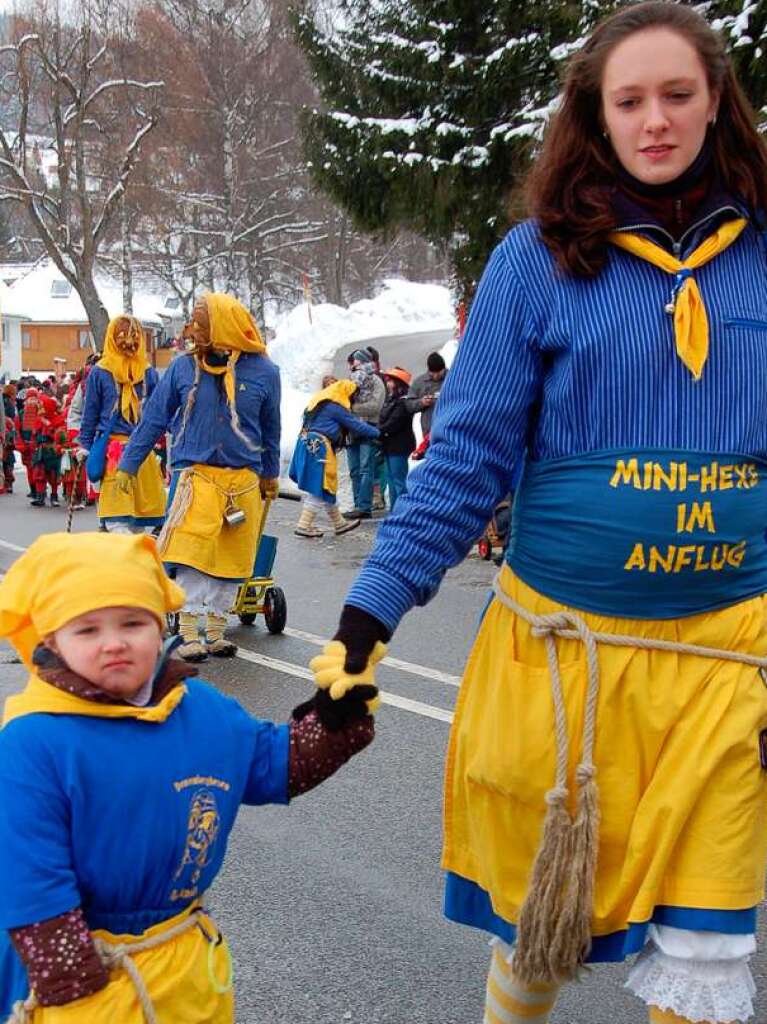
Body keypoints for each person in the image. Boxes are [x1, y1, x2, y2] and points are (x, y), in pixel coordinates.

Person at [302, 5, 767, 1023]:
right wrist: (367, 614)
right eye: (628, 100)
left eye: (676, 95)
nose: (654, 120)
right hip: (564, 660)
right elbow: (465, 457)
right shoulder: (533, 261)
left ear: (714, 102)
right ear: (594, 118)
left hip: (726, 665)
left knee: (707, 944)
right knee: (539, 930)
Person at [0, 532, 377, 1022]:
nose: (114, 642)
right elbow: (27, 870)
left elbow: (274, 766)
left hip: (183, 957)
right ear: (49, 642)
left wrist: (334, 719)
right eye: (87, 630)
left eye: (133, 622)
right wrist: (72, 981)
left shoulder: (201, 710)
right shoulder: (33, 742)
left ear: (161, 627)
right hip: (85, 967)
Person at [117, 293, 280, 663]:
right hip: (197, 479)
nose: (193, 330)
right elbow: (155, 418)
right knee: (191, 555)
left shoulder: (265, 372)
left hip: (244, 482)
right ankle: (190, 632)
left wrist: (271, 473)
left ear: (224, 324)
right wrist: (129, 463)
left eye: (201, 322)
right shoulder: (182, 368)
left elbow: (272, 429)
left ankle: (217, 632)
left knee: (232, 559)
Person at [79, 317, 165, 534]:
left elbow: (159, 413)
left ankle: (130, 561)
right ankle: (125, 559)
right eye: (122, 337)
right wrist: (85, 445)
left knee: (138, 519)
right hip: (113, 454)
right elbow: (90, 412)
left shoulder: (148, 373)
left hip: (142, 452)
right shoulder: (100, 372)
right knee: (116, 518)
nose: (128, 343)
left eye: (133, 338)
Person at [289, 378, 380, 538]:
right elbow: (355, 425)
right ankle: (304, 525)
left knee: (326, 485)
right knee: (320, 485)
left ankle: (339, 523)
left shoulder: (317, 403)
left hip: (308, 444)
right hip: (319, 447)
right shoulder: (335, 407)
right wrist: (379, 432)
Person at [343, 349, 385, 520]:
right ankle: (357, 503)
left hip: (368, 427)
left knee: (366, 468)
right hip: (351, 430)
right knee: (354, 469)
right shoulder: (352, 380)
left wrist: (352, 409)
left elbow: (375, 406)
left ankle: (364, 506)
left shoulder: (376, 382)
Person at [377, 367, 415, 513]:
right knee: (391, 480)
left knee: (399, 481)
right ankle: (395, 510)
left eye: (390, 380)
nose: (387, 383)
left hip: (399, 446)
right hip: (389, 445)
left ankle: (404, 512)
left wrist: (378, 431)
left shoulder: (402, 402)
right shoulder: (392, 399)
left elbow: (394, 422)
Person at [405, 351, 446, 439]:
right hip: (429, 432)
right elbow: (408, 405)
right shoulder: (419, 382)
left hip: (449, 428)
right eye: (433, 373)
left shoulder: (453, 378)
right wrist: (422, 402)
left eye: (439, 372)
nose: (436, 376)